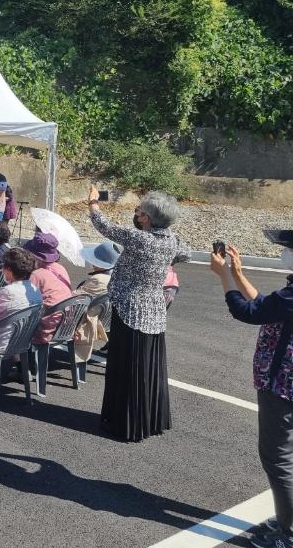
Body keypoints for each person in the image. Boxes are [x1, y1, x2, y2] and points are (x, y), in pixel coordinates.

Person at [210, 232, 293, 548]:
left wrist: (224, 276)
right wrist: (238, 275)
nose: (285, 253)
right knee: (284, 456)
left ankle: (289, 533)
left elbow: (247, 312)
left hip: (282, 386)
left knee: (278, 458)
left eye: (289, 249)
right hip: (285, 385)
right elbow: (264, 305)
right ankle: (289, 518)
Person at [88, 186, 190, 442]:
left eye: (140, 211)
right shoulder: (172, 240)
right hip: (154, 310)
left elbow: (105, 227)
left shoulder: (141, 239)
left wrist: (93, 204)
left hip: (130, 308)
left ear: (148, 217)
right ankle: (148, 420)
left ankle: (125, 422)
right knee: (148, 367)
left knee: (126, 366)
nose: (138, 214)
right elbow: (186, 254)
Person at [0, 248, 42, 357]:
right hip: (22, 341)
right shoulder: (35, 290)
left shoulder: (7, 292)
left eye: (3, 267)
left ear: (9, 270)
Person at [72, 241, 122, 362]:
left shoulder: (97, 280)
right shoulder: (118, 278)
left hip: (86, 320)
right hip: (108, 320)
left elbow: (72, 299)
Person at [22, 231, 74, 344]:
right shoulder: (60, 268)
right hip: (65, 325)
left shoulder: (36, 274)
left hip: (45, 329)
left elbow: (26, 303)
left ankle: (19, 359)